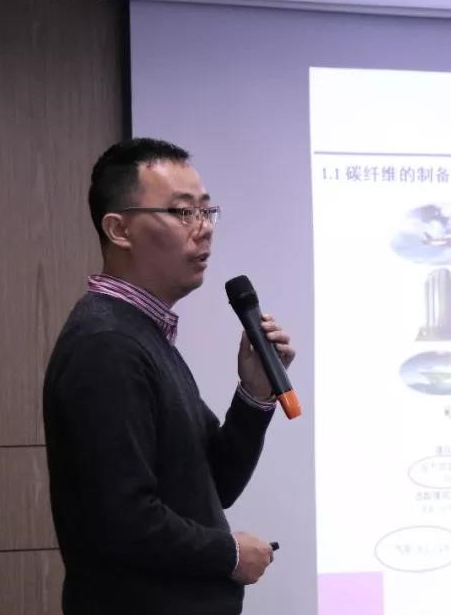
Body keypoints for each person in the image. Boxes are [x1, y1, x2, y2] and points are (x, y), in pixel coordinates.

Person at [42, 138, 294, 615]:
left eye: (206, 211)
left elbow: (214, 485)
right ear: (119, 229)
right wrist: (229, 553)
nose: (204, 228)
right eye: (182, 213)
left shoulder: (142, 334)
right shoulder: (107, 343)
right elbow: (121, 519)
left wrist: (255, 394)